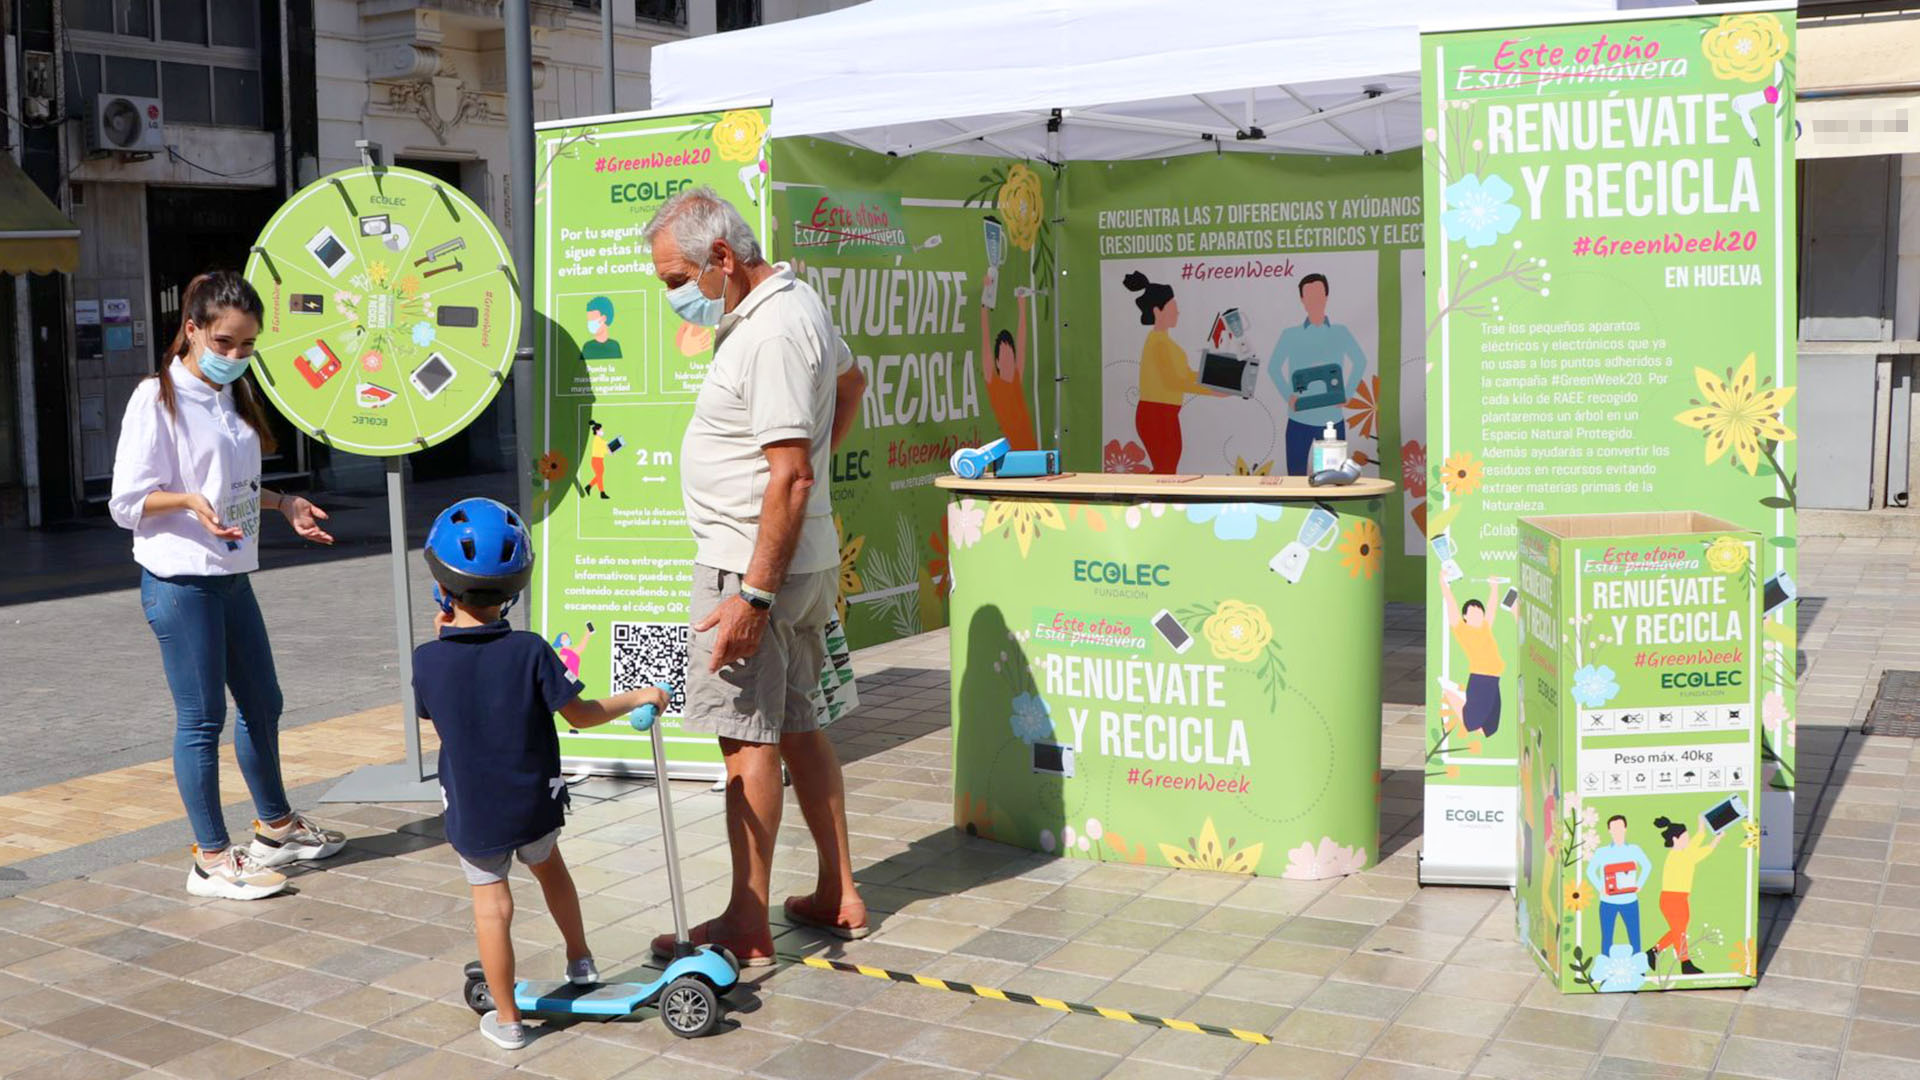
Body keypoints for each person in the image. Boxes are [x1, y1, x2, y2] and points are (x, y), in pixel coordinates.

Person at [641, 186, 870, 965]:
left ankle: (747, 923)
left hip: (753, 568)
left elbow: (792, 475)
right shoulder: (796, 305)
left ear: (724, 260)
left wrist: (752, 596)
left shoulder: (770, 333)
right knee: (800, 726)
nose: (673, 296)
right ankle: (838, 892)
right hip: (793, 560)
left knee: (747, 741)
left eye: (676, 280)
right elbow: (851, 384)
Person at [108, 271, 345, 901]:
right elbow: (126, 501)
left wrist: (284, 501)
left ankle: (275, 827)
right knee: (201, 720)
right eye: (224, 341)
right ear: (191, 331)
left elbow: (234, 488)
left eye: (247, 345)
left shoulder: (227, 397)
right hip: (181, 582)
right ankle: (211, 859)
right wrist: (188, 501)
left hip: (233, 578)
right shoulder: (153, 399)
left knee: (264, 702)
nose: (236, 356)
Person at [413, 497, 667, 1050]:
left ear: (441, 587)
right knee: (551, 870)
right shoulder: (530, 651)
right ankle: (579, 960)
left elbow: (438, 716)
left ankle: (507, 1022)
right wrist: (640, 696)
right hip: (533, 800)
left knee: (493, 907)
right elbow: (582, 715)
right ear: (514, 590)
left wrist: (443, 640)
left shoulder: (426, 659)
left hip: (474, 809)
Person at [1123, 271, 1222, 473]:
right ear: (1158, 311)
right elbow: (1174, 382)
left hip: (1164, 414)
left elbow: (1186, 374)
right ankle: (1146, 501)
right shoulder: (1159, 343)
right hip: (1155, 414)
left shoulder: (1165, 343)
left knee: (1166, 468)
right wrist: (1212, 390)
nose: (1177, 313)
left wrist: (1218, 380)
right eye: (1173, 308)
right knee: (1165, 469)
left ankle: (1149, 501)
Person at [1268, 273, 1367, 475]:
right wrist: (1289, 396)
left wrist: (1347, 392)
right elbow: (1273, 367)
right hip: (1299, 420)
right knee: (1295, 479)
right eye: (1309, 297)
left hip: (1332, 418)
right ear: (1302, 300)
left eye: (1319, 296)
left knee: (1333, 479)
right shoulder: (1290, 335)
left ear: (1327, 297)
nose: (1314, 301)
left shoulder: (1340, 332)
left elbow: (1360, 361)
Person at [1648, 814, 1723, 975]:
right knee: (1679, 931)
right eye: (1685, 838)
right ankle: (1685, 963)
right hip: (1672, 899)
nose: (1688, 840)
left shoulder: (1679, 852)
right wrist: (1718, 838)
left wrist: (1701, 826)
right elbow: (1705, 850)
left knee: (1678, 930)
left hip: (1678, 898)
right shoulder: (1681, 856)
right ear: (1675, 839)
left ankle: (1654, 951)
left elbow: (1697, 840)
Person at [1441, 575, 1506, 737]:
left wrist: (1494, 588)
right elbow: (1452, 608)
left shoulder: (1485, 628)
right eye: (1473, 613)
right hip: (1481, 679)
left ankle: (1460, 695)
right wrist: (1444, 584)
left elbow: (1491, 610)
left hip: (1494, 679)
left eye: (1479, 613)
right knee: (1471, 722)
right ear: (1465, 617)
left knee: (1490, 727)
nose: (1478, 615)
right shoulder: (1462, 631)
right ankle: (1451, 692)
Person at [1586, 814, 1652, 957]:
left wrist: (1639, 884)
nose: (1617, 831)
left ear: (1625, 828)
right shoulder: (1602, 852)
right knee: (1607, 938)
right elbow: (1590, 871)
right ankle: (1604, 970)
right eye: (1614, 828)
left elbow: (1647, 866)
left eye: (1620, 827)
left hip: (1630, 900)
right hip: (1608, 902)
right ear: (1609, 830)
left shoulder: (1634, 849)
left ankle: (1638, 969)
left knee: (1634, 937)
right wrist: (1600, 887)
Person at [980, 289, 1037, 451]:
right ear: (997, 362)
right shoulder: (993, 382)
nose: (1008, 361)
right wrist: (984, 308)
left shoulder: (1016, 377)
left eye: (1010, 356)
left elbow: (1022, 341)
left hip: (1030, 449)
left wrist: (1022, 306)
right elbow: (985, 341)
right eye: (1004, 357)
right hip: (1009, 455)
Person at [585, 420, 611, 500]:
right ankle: (602, 493)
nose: (602, 431)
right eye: (601, 430)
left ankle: (589, 487)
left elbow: (603, 450)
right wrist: (610, 449)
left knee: (599, 476)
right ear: (597, 431)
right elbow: (605, 445)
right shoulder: (597, 439)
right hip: (596, 460)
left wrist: (609, 451)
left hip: (599, 460)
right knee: (599, 477)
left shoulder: (599, 440)